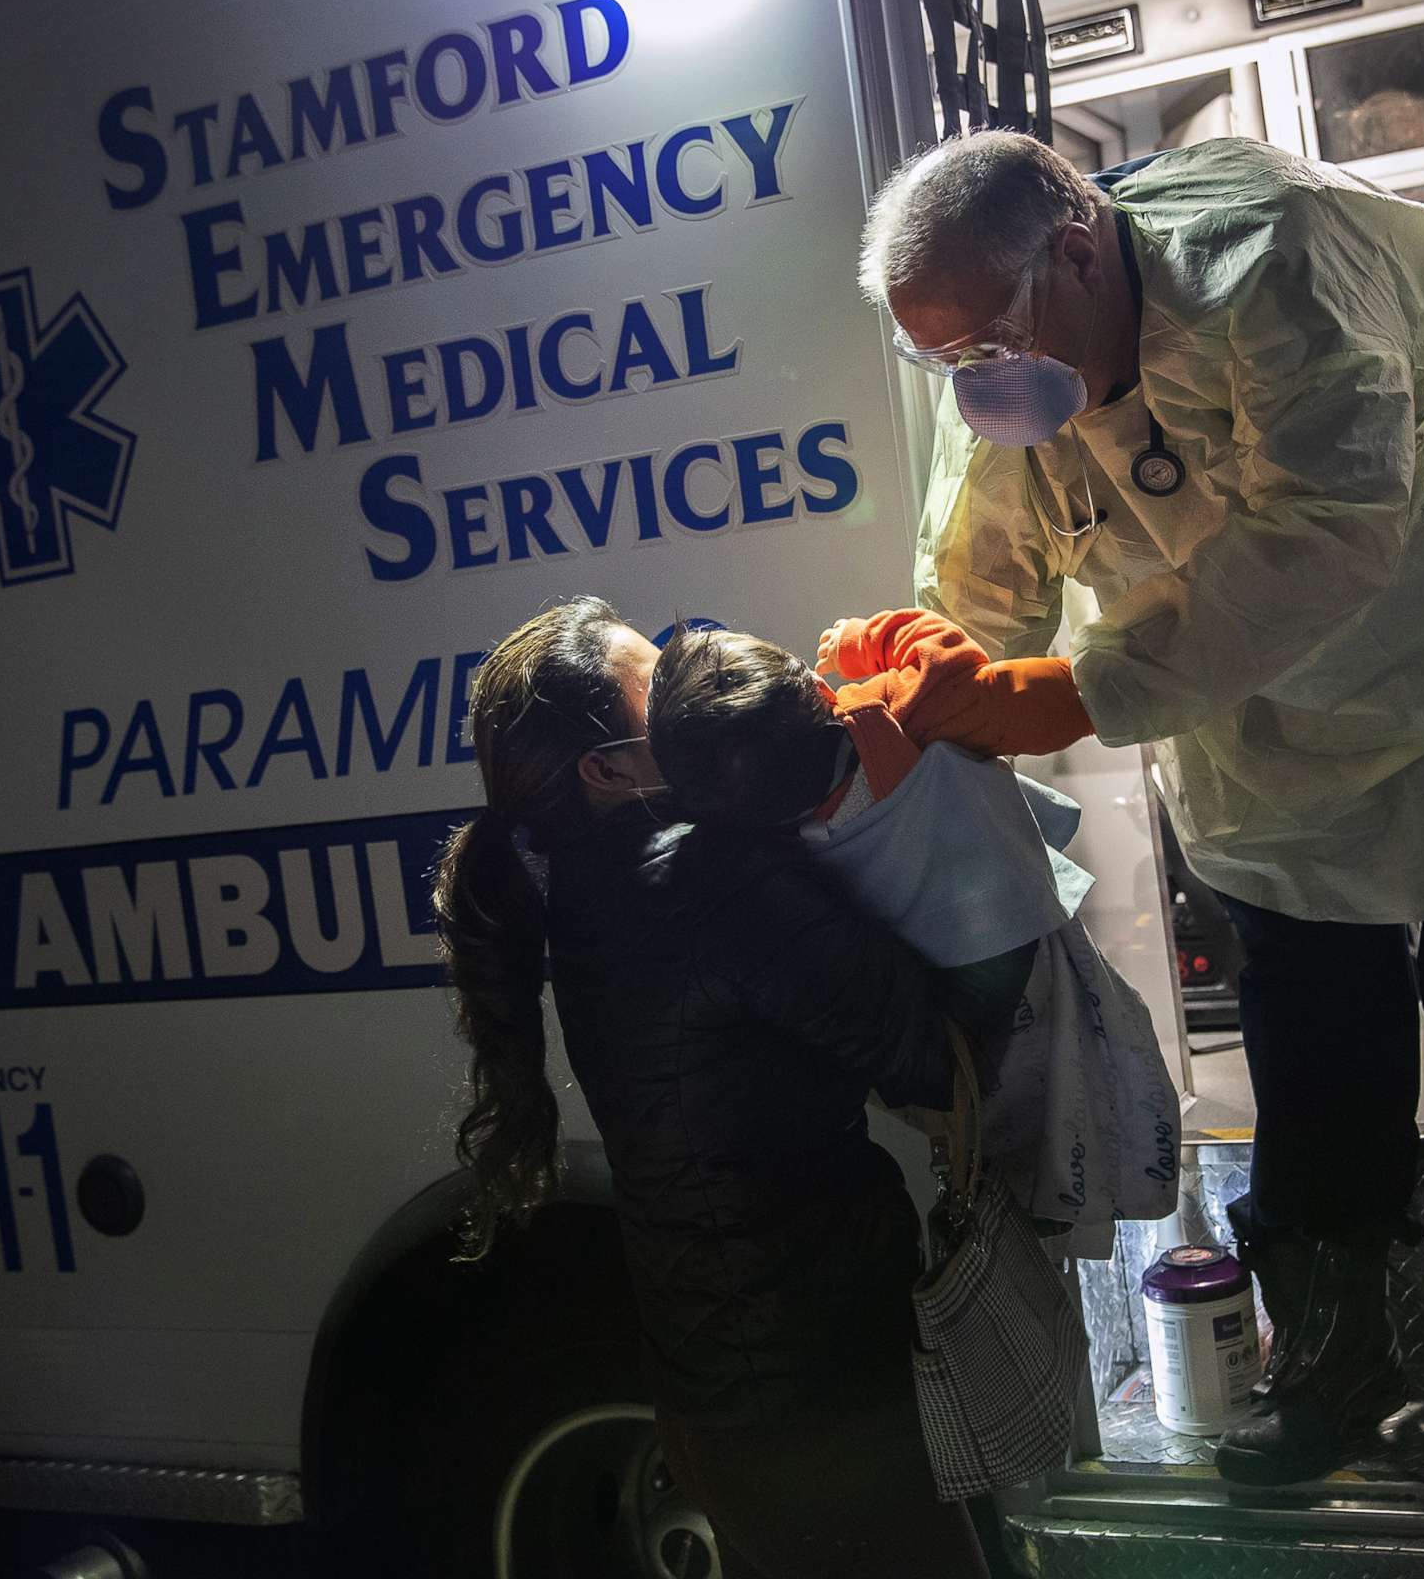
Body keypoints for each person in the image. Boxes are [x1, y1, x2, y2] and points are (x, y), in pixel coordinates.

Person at [860, 132, 1424, 1479]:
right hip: (1262, 745)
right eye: (941, 363)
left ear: (1077, 249)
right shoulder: (1015, 368)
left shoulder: (1284, 261)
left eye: (986, 345)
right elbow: (987, 563)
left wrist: (1075, 694)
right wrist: (940, 665)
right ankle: (1337, 1366)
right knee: (1314, 1066)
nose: (978, 385)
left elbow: (1329, 532)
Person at [436, 596, 1026, 1577]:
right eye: (655, 684)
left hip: (724, 1399)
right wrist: (953, 811)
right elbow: (934, 1050)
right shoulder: (708, 882)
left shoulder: (586, 892)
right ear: (609, 769)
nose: (682, 684)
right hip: (818, 1404)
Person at [644, 610, 1179, 1237]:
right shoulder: (899, 713)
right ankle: (1108, 1182)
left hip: (942, 990)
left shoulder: (765, 847)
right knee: (1097, 1036)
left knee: (1011, 1092)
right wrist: (858, 640)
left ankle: (1043, 1196)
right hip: (1014, 931)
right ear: (820, 696)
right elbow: (949, 656)